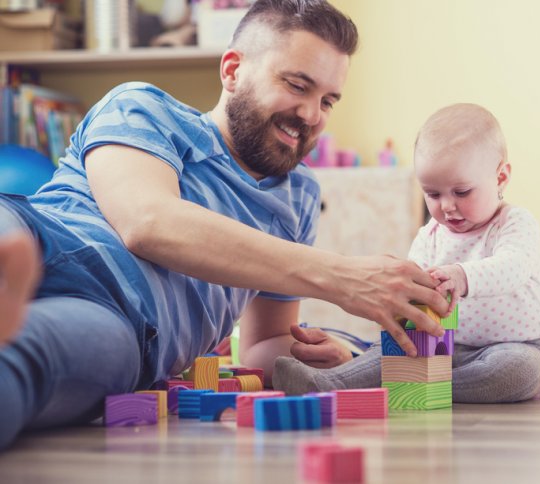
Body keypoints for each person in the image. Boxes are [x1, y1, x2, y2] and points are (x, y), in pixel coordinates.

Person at [0, 0, 448, 450]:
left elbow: (262, 343)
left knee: (26, 358)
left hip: (121, 323)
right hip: (42, 234)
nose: (312, 116)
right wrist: (341, 277)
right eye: (297, 85)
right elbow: (148, 222)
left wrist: (330, 358)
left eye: (327, 101)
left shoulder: (298, 198)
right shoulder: (144, 108)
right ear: (233, 71)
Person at [273, 103, 540, 403]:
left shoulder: (514, 223)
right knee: (391, 348)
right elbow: (410, 287)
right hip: (437, 345)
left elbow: (513, 267)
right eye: (433, 194)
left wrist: (462, 276)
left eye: (461, 192)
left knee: (521, 372)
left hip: (510, 346)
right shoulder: (430, 234)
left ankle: (424, 386)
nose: (446, 206)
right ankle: (329, 383)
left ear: (500, 179)